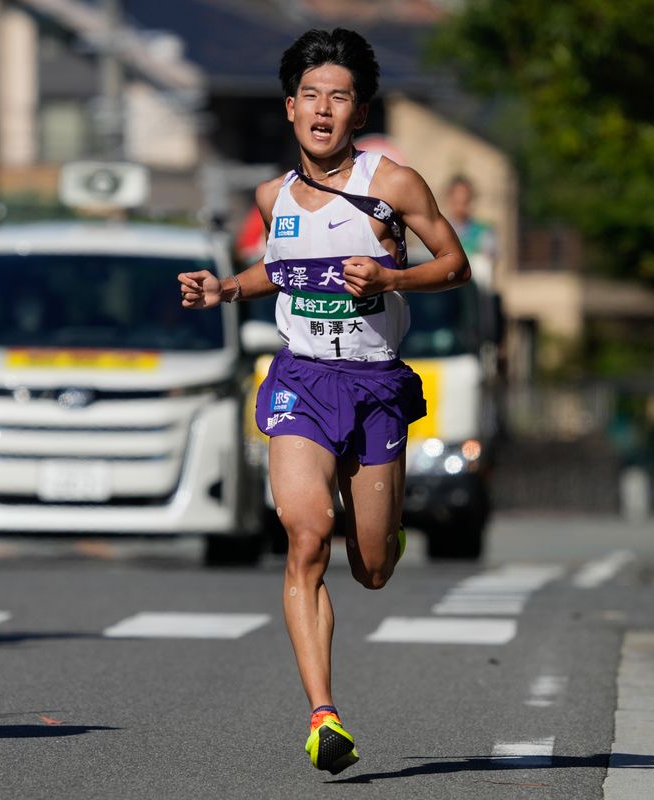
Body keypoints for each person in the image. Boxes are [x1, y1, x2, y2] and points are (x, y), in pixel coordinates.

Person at [178, 28, 470, 774]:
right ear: (289, 108)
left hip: (374, 386)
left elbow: (455, 265)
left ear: (358, 111)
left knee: (370, 567)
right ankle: (323, 716)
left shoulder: (392, 183)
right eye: (310, 95)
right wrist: (225, 289)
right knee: (306, 535)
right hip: (302, 380)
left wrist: (391, 280)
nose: (322, 109)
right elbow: (277, 272)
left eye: (338, 97)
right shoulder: (272, 196)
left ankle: (384, 530)